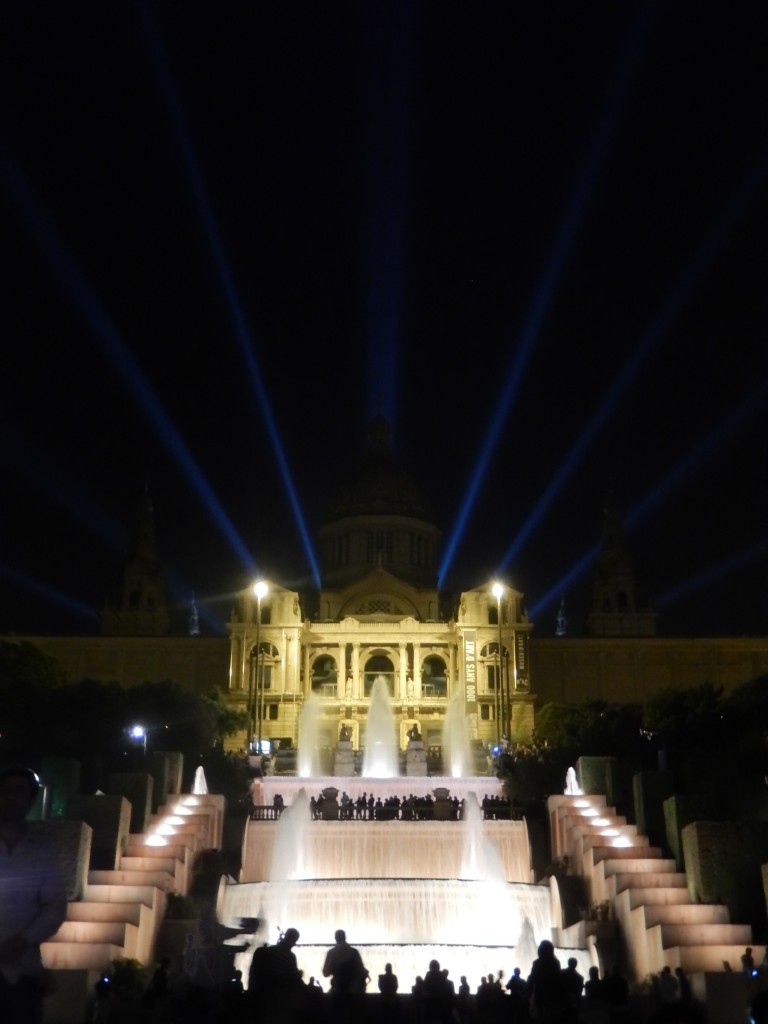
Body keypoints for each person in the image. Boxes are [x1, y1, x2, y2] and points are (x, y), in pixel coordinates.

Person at [0, 766, 67, 1024]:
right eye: (4, 791)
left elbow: (54, 907)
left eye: (19, 791)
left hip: (22, 974)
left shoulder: (43, 853)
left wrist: (21, 942)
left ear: (31, 799)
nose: (10, 797)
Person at [527, 939, 567, 1023]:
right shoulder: (556, 962)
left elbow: (532, 978)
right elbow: (558, 978)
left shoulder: (537, 963)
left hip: (540, 994)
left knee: (541, 1015)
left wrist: (528, 991)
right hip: (553, 994)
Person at [322, 928, 369, 998]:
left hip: (337, 990)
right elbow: (361, 971)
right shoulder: (354, 952)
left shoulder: (331, 953)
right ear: (345, 937)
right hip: (353, 991)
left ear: (335, 938)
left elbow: (325, 973)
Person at [562, 957, 584, 1021]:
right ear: (576, 964)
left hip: (563, 1000)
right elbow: (579, 992)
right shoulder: (580, 977)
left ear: (568, 963)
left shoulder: (562, 974)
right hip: (574, 1001)